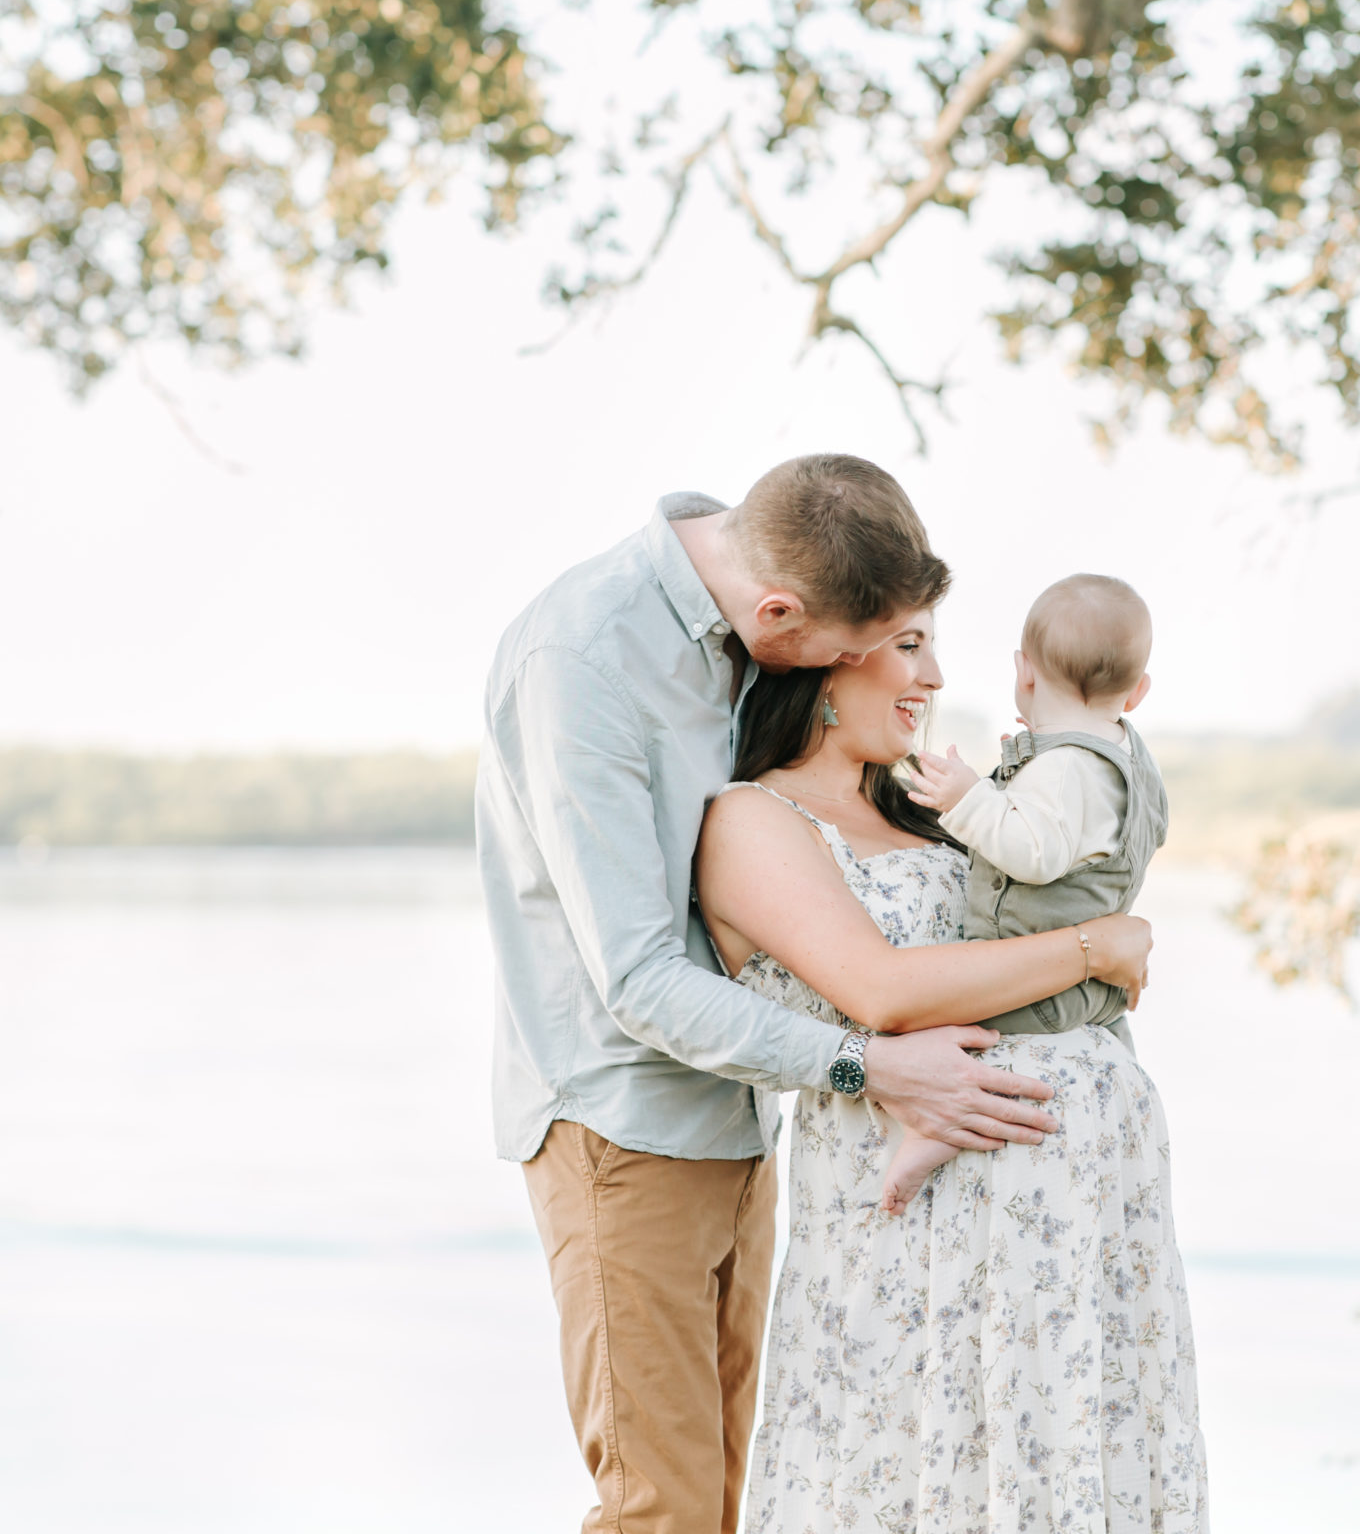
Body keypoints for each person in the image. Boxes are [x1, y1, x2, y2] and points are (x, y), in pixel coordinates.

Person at [479, 455, 1154, 1534]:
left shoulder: (754, 602)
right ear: (786, 620)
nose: (908, 673)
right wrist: (872, 1062)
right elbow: (640, 978)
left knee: (734, 1490)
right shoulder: (585, 657)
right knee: (665, 1508)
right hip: (621, 1113)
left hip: (743, 1110)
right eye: (870, 648)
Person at [695, 603, 1206, 1534]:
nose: (934, 677)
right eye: (907, 645)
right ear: (820, 663)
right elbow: (885, 991)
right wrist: (1101, 945)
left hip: (1073, 1225)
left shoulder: (932, 815)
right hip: (910, 1240)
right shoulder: (754, 819)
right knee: (912, 1474)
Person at [884, 571, 1167, 1214]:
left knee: (954, 1022)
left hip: (1031, 980)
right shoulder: (1125, 757)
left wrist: (967, 798)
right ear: (1138, 690)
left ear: (1026, 672)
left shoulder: (1067, 767)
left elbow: (1031, 854)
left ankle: (933, 1130)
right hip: (1085, 992)